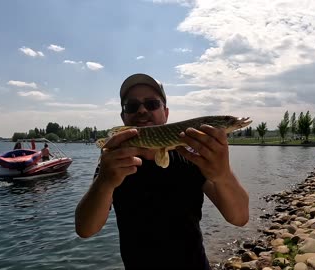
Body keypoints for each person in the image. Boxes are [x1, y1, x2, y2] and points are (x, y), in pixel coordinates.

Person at [75, 73, 249, 270]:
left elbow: (240, 217)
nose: (141, 110)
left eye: (151, 104)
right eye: (131, 106)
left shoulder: (192, 157)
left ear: (165, 113)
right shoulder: (113, 165)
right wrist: (104, 182)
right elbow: (85, 229)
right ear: (123, 117)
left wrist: (223, 174)